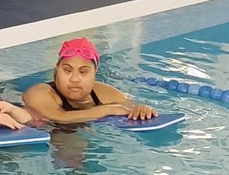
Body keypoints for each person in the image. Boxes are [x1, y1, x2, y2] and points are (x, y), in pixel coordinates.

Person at [22, 37, 158, 123]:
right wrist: (109, 110)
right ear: (57, 69)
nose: (75, 79)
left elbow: (130, 107)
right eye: (67, 70)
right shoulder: (38, 93)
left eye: (83, 72)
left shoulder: (106, 93)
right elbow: (60, 118)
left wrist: (143, 110)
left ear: (95, 73)